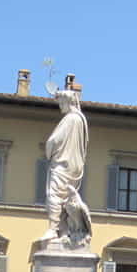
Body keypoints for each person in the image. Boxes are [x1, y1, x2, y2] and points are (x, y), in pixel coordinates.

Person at [42, 90, 90, 243]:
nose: (60, 106)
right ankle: (63, 231)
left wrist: (48, 151)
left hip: (63, 164)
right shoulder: (81, 121)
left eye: (61, 103)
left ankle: (52, 229)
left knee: (54, 195)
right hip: (75, 167)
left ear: (68, 102)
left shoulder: (70, 119)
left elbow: (54, 140)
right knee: (65, 200)